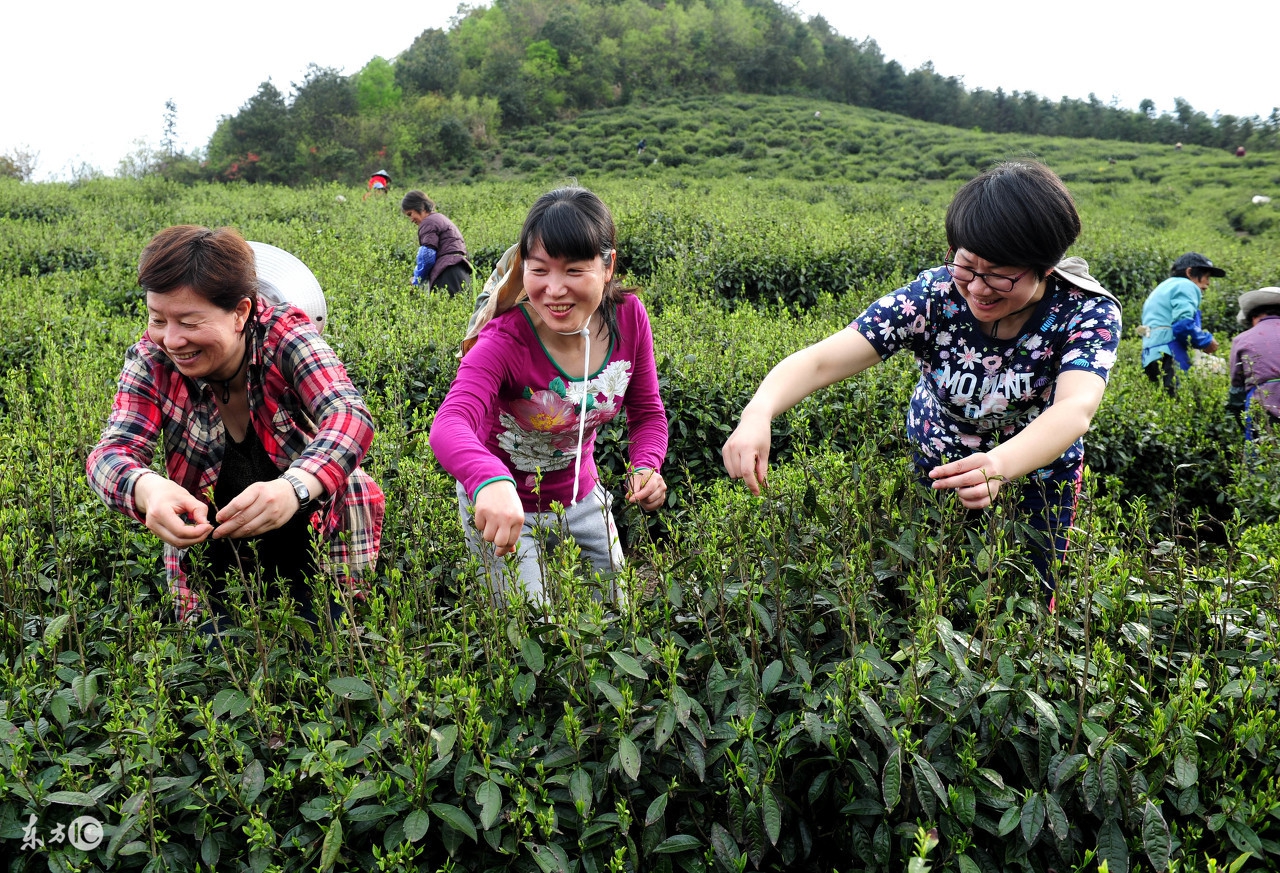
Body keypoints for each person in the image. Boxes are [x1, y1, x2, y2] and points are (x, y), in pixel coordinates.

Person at [722, 161, 1123, 589]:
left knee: (1034, 595)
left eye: (1000, 276)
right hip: (939, 467)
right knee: (933, 587)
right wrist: (758, 413)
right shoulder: (933, 296)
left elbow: (1074, 408)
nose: (978, 288)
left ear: (1046, 267)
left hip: (1038, 477)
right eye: (966, 265)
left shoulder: (1086, 312)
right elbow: (821, 360)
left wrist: (1000, 465)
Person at [87, 226, 385, 625]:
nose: (171, 340)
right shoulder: (152, 359)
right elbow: (110, 453)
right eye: (157, 319)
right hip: (214, 542)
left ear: (241, 313)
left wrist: (294, 488)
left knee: (330, 638)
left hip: (316, 532)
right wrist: (147, 488)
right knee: (216, 649)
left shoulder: (284, 335)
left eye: (189, 322)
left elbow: (349, 415)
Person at [429, 187, 669, 602]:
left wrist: (646, 465)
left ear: (607, 266)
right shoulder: (504, 340)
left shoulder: (629, 317)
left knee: (617, 614)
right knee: (528, 625)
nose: (554, 290)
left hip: (583, 497)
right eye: (539, 270)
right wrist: (487, 480)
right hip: (504, 506)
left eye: (574, 271)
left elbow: (647, 412)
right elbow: (450, 423)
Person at [1139, 252, 1224, 395]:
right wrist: (1206, 341)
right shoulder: (1186, 285)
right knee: (1181, 398)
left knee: (1162, 401)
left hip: (1150, 355)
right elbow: (1182, 326)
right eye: (1206, 276)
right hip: (1171, 351)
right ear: (1190, 272)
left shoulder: (1162, 288)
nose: (1208, 283)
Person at [1226, 286, 1280, 436]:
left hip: (1263, 404)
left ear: (1254, 317)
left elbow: (1237, 387)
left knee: (1262, 447)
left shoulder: (1242, 339)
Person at [402, 190, 472, 295]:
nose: (411, 219)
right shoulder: (440, 218)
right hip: (460, 271)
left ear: (420, 207)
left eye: (410, 214)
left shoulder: (428, 222)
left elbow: (427, 257)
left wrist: (416, 281)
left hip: (447, 273)